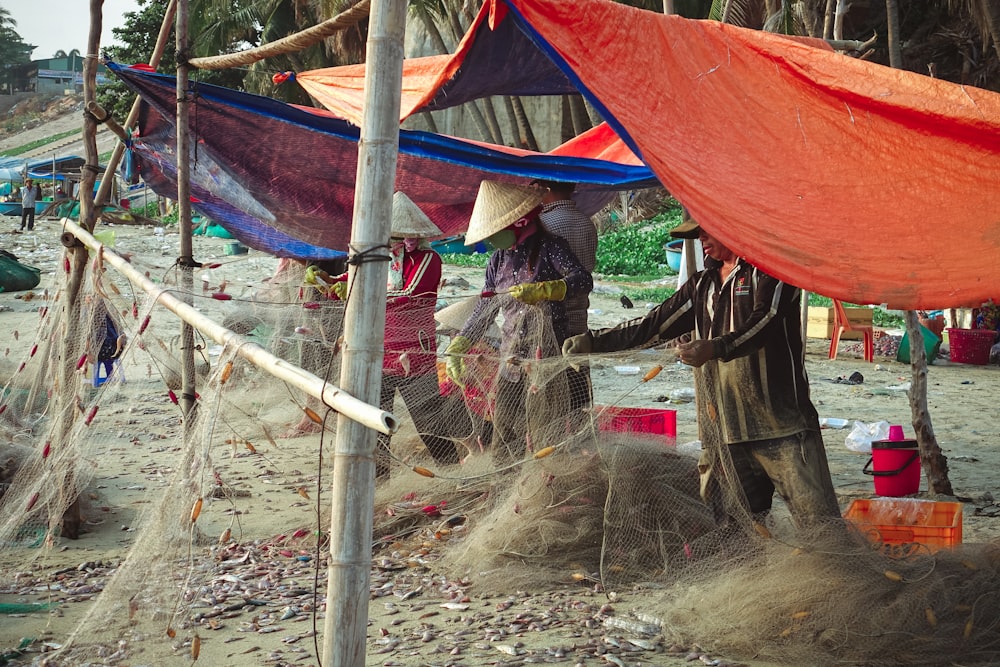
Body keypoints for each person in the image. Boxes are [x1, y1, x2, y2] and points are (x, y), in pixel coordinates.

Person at [562, 218, 840, 530]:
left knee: (820, 526)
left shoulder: (772, 272)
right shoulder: (703, 284)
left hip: (782, 427)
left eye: (708, 231)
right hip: (726, 432)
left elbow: (767, 321)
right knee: (737, 530)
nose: (701, 239)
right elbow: (654, 324)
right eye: (698, 234)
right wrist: (594, 341)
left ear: (732, 228)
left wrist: (716, 347)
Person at [295, 193, 463, 477]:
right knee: (376, 421)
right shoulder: (374, 257)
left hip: (414, 352)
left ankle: (451, 473)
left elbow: (408, 294)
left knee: (429, 421)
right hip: (376, 350)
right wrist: (325, 281)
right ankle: (379, 478)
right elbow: (346, 282)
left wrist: (353, 292)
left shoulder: (427, 259)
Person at [445, 180, 593, 464]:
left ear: (520, 221)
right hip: (510, 358)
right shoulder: (498, 260)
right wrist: (461, 343)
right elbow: (486, 305)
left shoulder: (551, 247)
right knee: (505, 434)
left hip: (546, 359)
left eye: (495, 232)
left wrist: (546, 289)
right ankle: (504, 491)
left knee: (544, 435)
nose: (491, 241)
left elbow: (582, 280)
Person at [533, 180, 598, 413]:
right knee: (577, 391)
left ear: (546, 190)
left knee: (550, 397)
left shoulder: (544, 225)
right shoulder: (586, 222)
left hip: (551, 320)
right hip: (579, 317)